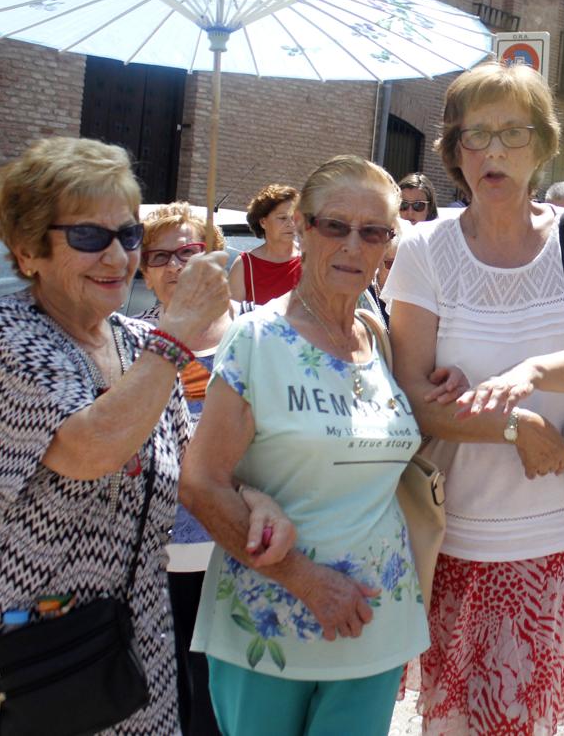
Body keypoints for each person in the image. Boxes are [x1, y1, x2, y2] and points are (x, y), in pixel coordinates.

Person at [0, 138, 290, 734]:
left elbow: (191, 470)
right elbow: (88, 449)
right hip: (29, 653)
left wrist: (258, 501)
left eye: (128, 236)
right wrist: (178, 332)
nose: (117, 257)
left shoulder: (135, 341)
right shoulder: (5, 332)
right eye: (89, 237)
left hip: (127, 653)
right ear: (28, 249)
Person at [383, 60, 564, 734]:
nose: (492, 152)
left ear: (543, 144)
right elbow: (411, 399)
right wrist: (514, 427)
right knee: (452, 725)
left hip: (561, 534)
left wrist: (532, 372)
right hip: (455, 536)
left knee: (528, 723)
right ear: (452, 151)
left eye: (512, 134)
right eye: (474, 135)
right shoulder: (425, 250)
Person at [181, 155, 432, 736]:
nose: (353, 245)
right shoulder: (257, 338)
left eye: (372, 232)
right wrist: (307, 581)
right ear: (302, 227)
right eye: (334, 226)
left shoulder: (378, 336)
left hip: (376, 620)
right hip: (271, 620)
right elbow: (200, 481)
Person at [136, 201, 258, 736]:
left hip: (242, 543)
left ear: (214, 257)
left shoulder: (257, 333)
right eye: (159, 256)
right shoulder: (132, 342)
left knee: (238, 694)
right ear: (143, 271)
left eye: (187, 250)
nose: (175, 265)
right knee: (180, 695)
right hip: (165, 551)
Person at [230, 184, 303, 305]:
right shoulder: (244, 264)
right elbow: (231, 318)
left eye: (294, 217)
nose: (291, 224)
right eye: (282, 218)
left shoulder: (309, 260)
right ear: (263, 222)